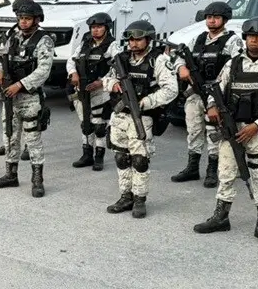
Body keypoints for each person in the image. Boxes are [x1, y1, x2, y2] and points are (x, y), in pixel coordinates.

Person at [193, 17, 258, 246]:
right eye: (250, 36)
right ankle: (220, 217)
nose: (254, 40)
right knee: (225, 173)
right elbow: (216, 89)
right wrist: (212, 106)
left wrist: (257, 126)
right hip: (231, 128)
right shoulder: (233, 64)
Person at [103, 20, 179, 218]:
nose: (133, 44)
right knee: (121, 157)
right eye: (131, 40)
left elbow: (171, 90)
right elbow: (106, 79)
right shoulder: (121, 59)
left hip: (142, 116)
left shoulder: (159, 60)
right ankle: (125, 196)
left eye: (138, 39)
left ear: (148, 40)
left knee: (139, 160)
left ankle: (139, 199)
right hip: (120, 115)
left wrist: (146, 102)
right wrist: (113, 85)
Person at [170, 1, 243, 187]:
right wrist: (182, 68)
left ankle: (213, 169)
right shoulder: (199, 39)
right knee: (194, 129)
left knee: (214, 130)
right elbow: (178, 56)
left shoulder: (232, 41)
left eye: (216, 17)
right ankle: (192, 167)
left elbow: (237, 66)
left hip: (217, 93)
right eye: (209, 17)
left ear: (225, 20)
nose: (211, 21)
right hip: (195, 93)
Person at [0, 0, 54, 197]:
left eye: (27, 18)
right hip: (10, 96)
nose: (23, 22)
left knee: (33, 139)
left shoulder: (44, 40)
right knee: (9, 136)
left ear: (36, 19)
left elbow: (43, 70)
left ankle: (37, 179)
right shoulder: (12, 37)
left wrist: (20, 85)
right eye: (20, 18)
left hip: (29, 97)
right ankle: (11, 174)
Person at [68, 12, 118, 171]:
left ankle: (99, 157)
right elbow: (71, 60)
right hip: (82, 90)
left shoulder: (112, 45)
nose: (95, 30)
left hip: (100, 91)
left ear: (107, 28)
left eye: (99, 27)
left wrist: (101, 82)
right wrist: (73, 73)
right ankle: (86, 155)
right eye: (93, 27)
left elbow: (117, 67)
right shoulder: (85, 43)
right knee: (86, 124)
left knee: (99, 126)